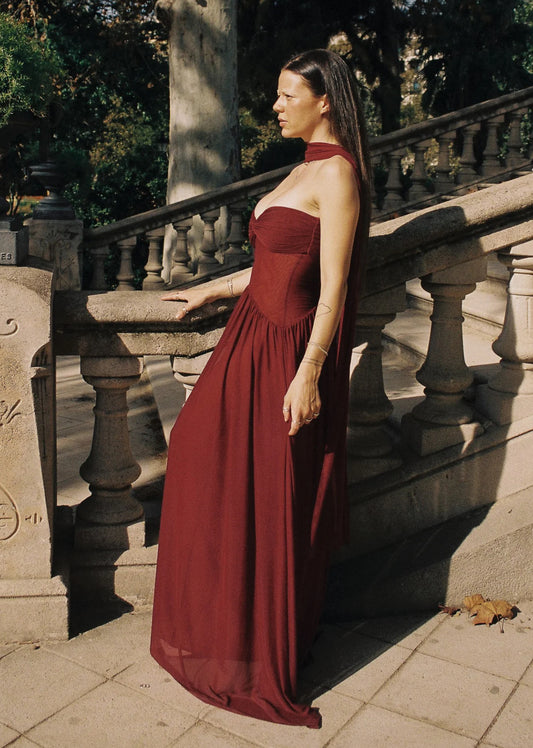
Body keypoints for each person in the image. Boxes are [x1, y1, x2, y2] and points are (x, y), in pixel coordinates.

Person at [151, 48, 372, 729]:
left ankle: (258, 657)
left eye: (286, 95)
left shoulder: (337, 174)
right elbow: (272, 263)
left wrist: (309, 373)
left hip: (284, 353)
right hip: (245, 339)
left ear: (323, 100)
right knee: (198, 457)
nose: (274, 106)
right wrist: (213, 290)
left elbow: (332, 287)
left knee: (269, 496)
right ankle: (224, 634)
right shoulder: (300, 169)